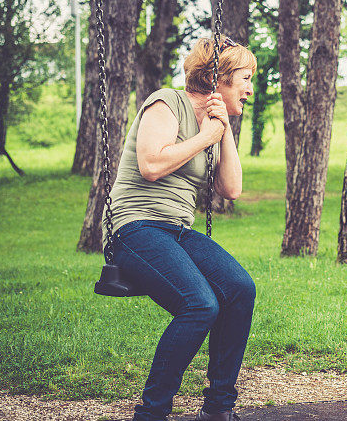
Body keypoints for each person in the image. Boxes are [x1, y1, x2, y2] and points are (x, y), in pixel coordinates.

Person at [107, 36, 256, 421]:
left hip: (176, 229)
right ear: (216, 77)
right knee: (199, 304)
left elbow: (233, 189)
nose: (250, 88)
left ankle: (219, 408)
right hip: (135, 227)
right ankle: (152, 413)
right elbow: (151, 165)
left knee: (239, 289)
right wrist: (206, 136)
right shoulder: (166, 102)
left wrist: (223, 129)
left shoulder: (213, 121)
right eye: (244, 77)